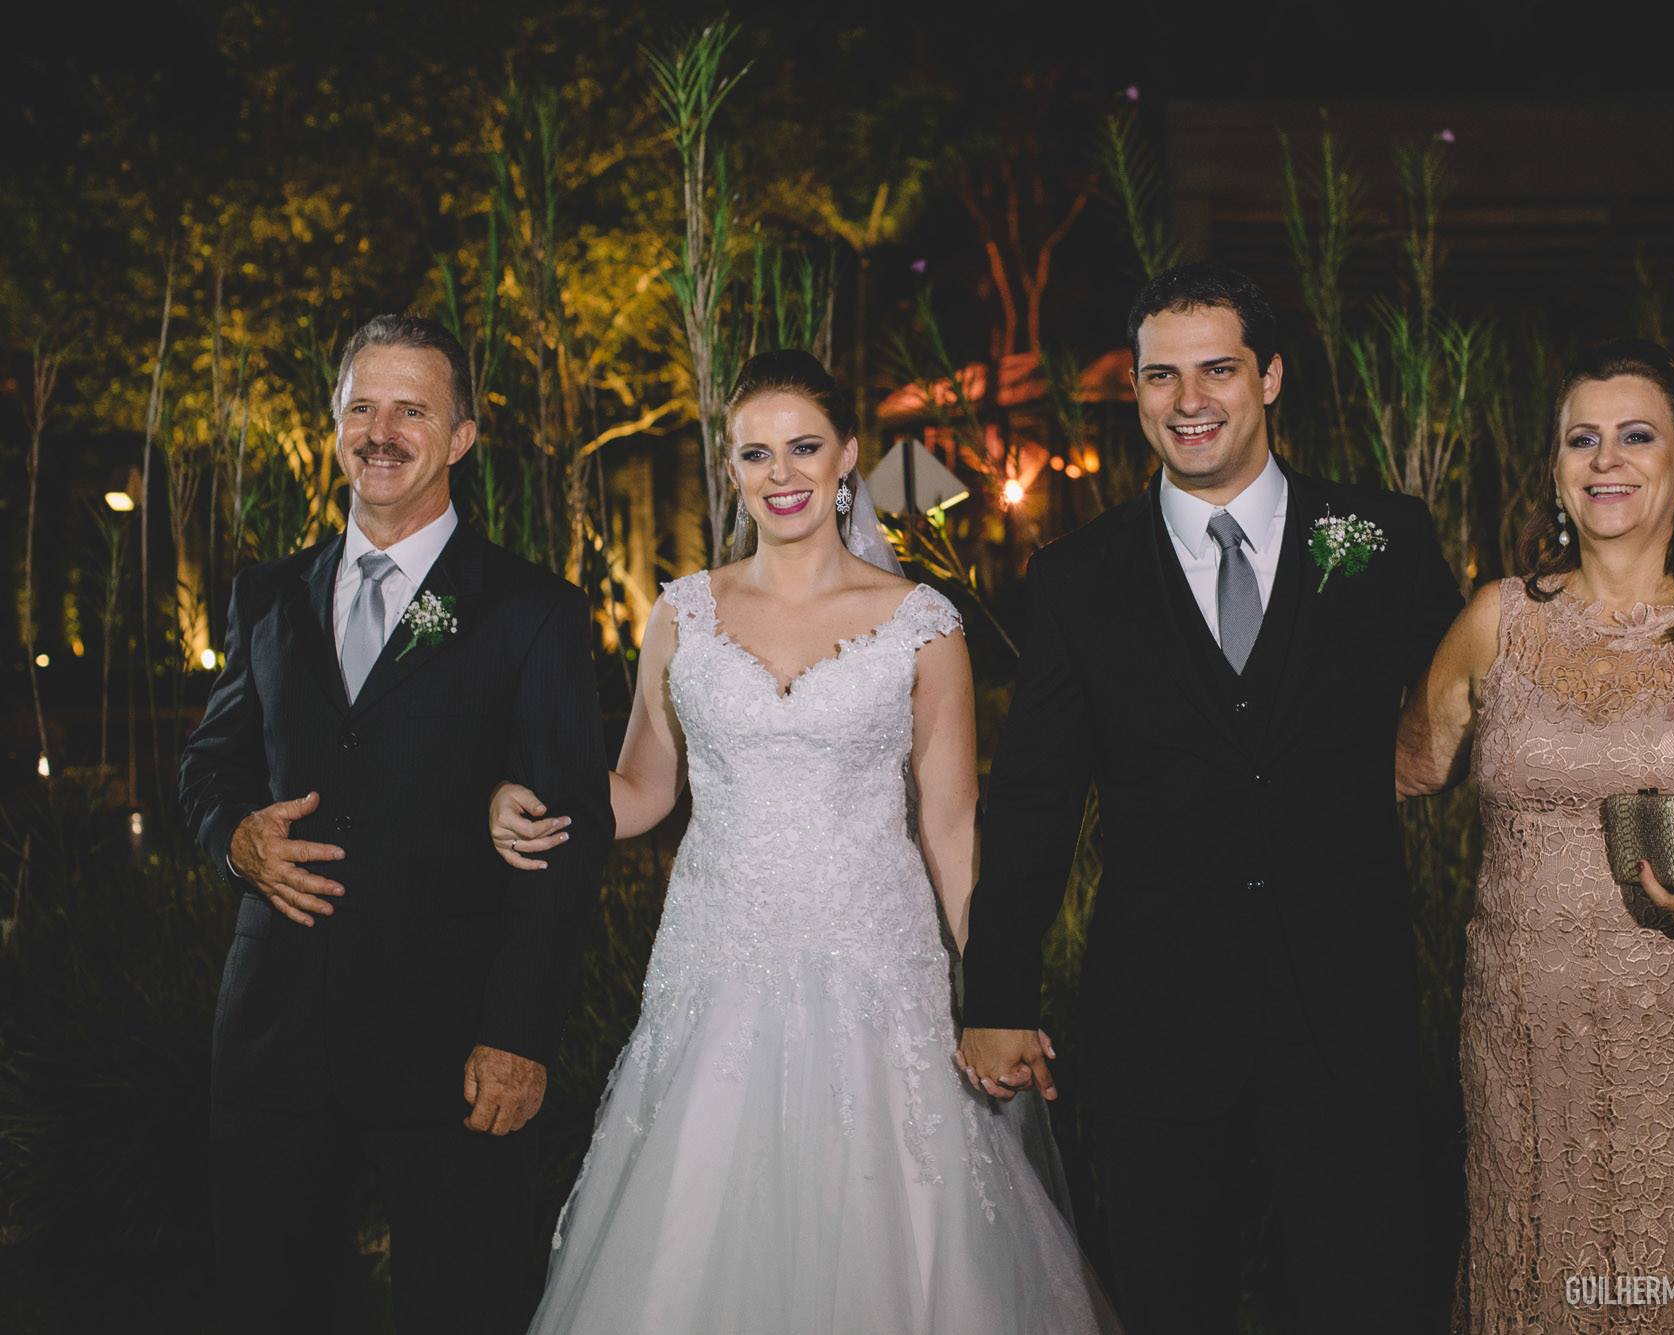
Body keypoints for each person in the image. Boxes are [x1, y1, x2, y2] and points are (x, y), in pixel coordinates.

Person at [488, 349, 1114, 1333]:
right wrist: (526, 797)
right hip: (716, 965)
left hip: (877, 970)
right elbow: (642, 789)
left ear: (847, 456)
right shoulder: (682, 613)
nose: (781, 474)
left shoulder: (922, 625)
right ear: (731, 467)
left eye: (804, 447)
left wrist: (996, 992)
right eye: (756, 453)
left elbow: (951, 826)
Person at [957, 263, 1464, 1330]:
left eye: (1218, 370)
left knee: (1364, 1300)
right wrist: (997, 996)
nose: (1188, 401)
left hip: (1345, 1009)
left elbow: (1473, 722)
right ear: (1136, 391)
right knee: (1168, 1302)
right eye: (1160, 376)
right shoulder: (1076, 577)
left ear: (1269, 377)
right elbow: (1033, 800)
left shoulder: (1385, 539)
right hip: (1155, 1020)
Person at [1396, 339, 1674, 1330]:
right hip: (1522, 1048)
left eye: (1636, 436)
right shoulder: (1495, 620)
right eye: (1581, 439)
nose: (1604, 459)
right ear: (1556, 469)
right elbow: (1404, 767)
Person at [179, 314, 614, 1334]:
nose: (381, 432)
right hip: (273, 1043)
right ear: (335, 425)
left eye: (411, 410)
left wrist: (517, 1036)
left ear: (460, 437)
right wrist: (235, 839)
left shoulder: (531, 611)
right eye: (362, 408)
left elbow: (566, 842)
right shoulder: (267, 596)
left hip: (451, 1050)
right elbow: (210, 764)